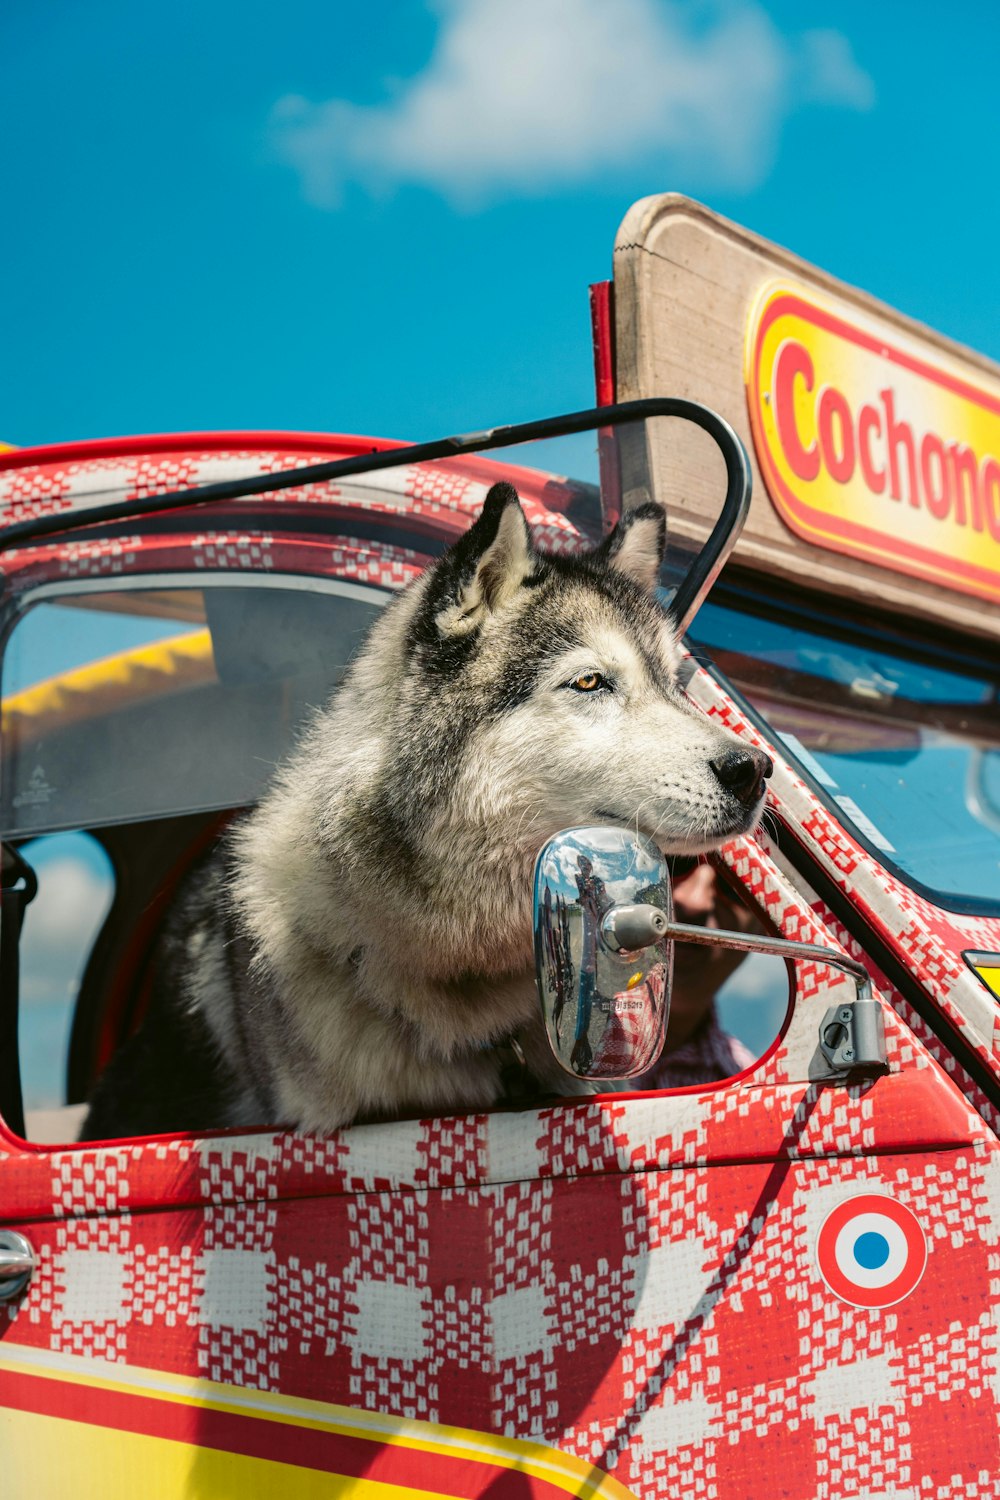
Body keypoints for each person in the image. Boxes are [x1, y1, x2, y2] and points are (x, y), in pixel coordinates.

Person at [638, 860, 757, 1089]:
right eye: (672, 862)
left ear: (768, 926)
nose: (694, 902)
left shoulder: (763, 1099)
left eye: (737, 885)